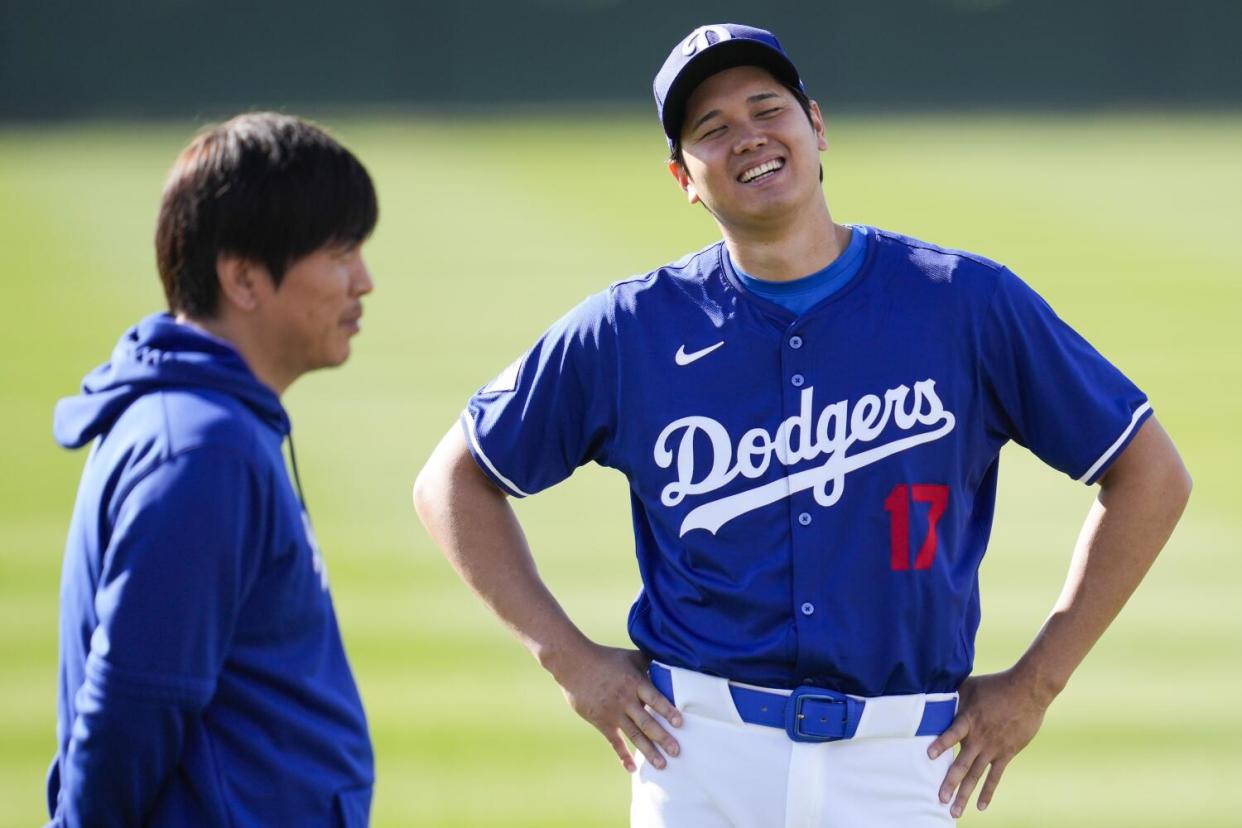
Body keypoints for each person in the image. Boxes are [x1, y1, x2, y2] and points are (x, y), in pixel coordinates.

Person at [412, 23, 1191, 827]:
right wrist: (568, 660)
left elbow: (1150, 473)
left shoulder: (965, 301)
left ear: (815, 126)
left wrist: (1037, 684)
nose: (748, 138)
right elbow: (454, 480)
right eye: (711, 130)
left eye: (766, 109)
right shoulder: (628, 328)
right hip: (698, 759)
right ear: (683, 176)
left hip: (905, 763)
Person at [48, 112, 378, 827]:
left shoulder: (215, 426)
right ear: (244, 277)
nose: (365, 280)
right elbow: (131, 710)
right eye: (340, 252)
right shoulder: (202, 450)